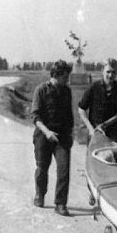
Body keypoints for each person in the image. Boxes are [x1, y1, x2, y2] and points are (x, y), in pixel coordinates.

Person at [31, 60, 74, 216]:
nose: (67, 79)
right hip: (43, 135)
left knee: (64, 169)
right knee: (42, 168)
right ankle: (40, 194)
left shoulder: (66, 92)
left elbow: (69, 115)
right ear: (57, 75)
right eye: (65, 76)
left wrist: (71, 133)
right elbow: (35, 117)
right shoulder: (41, 90)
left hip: (62, 136)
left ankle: (60, 203)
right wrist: (47, 132)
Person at [78, 58, 117, 143]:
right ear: (102, 71)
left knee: (112, 155)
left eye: (113, 72)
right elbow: (81, 109)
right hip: (95, 130)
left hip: (112, 131)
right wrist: (90, 128)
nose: (110, 75)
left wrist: (104, 125)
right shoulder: (93, 87)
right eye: (108, 72)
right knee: (95, 155)